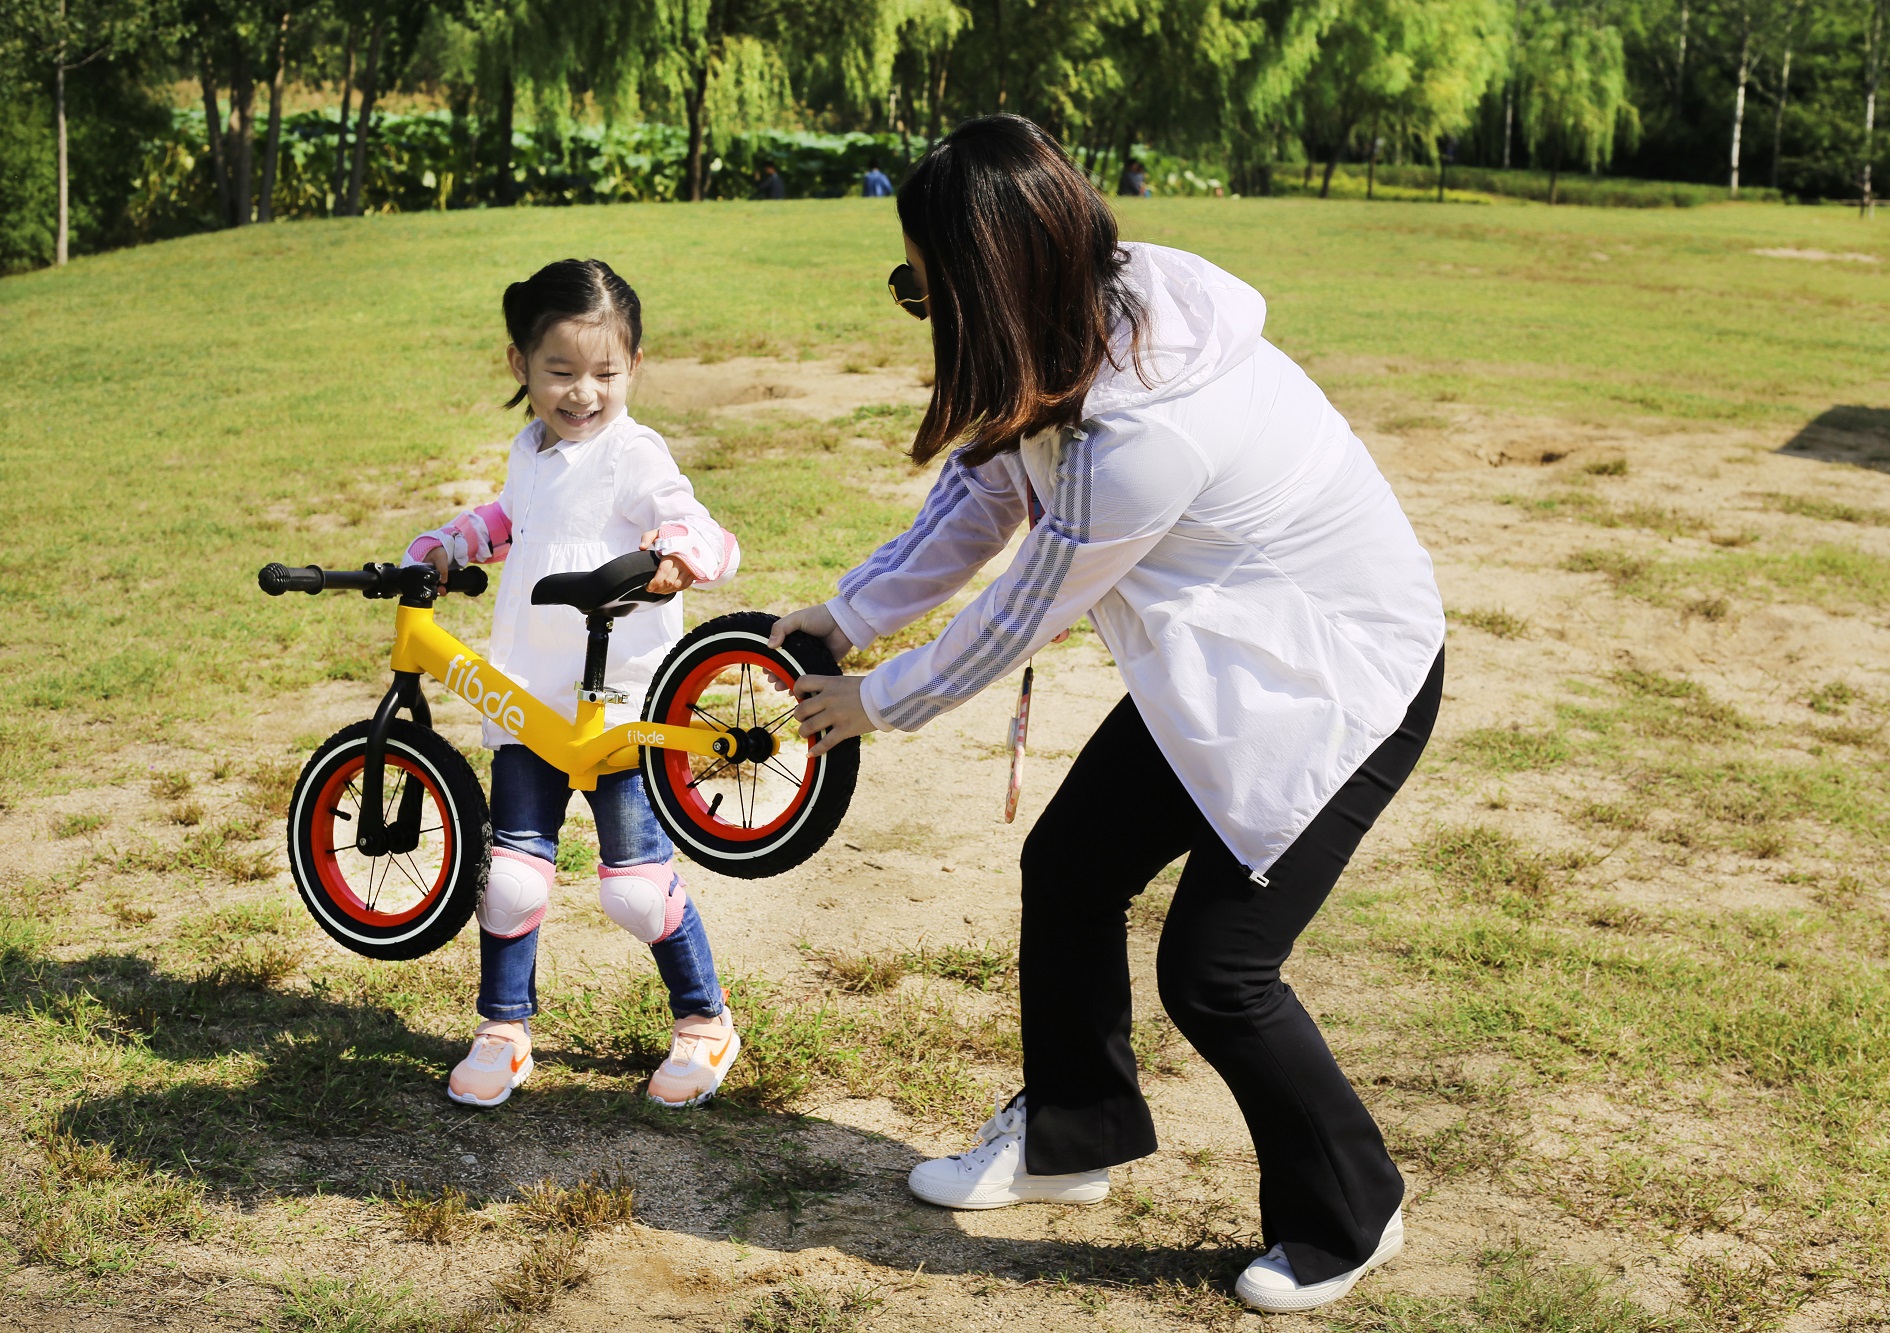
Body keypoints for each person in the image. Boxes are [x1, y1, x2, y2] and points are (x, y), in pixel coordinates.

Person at [772, 115, 1444, 1315]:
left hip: (1341, 681)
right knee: (1072, 864)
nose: (916, 310)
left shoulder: (1144, 427)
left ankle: (1352, 1209)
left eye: (921, 291)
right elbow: (980, 494)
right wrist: (839, 617)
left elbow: (1020, 609)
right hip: (1226, 660)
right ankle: (1071, 1137)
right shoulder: (1067, 323)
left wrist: (867, 700)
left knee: (1218, 971)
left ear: (989, 283)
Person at [402, 259, 744, 1113]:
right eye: (560, 372)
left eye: (606, 373)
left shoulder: (635, 452)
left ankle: (705, 1018)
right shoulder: (531, 448)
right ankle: (503, 1026)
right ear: (519, 365)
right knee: (511, 875)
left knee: (635, 886)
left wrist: (677, 555)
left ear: (635, 366)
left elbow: (698, 524)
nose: (583, 393)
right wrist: (452, 542)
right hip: (528, 697)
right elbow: (515, 519)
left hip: (620, 699)